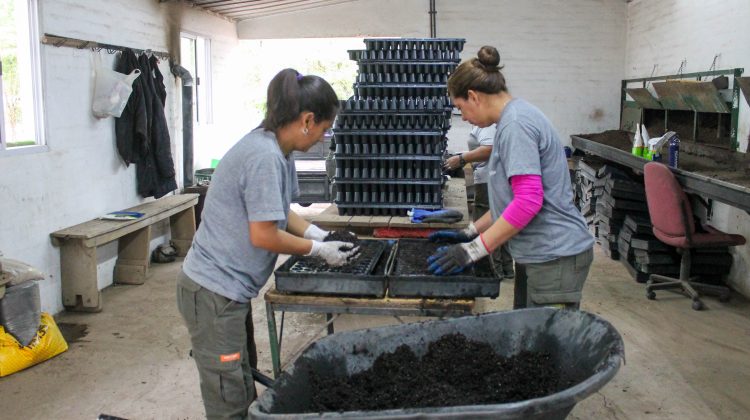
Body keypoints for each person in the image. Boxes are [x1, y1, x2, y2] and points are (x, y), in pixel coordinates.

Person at [176, 68, 358, 419]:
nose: (324, 138)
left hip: (230, 291)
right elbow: (263, 234)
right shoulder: (263, 156)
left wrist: (317, 234)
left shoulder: (279, 150)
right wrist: (317, 250)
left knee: (241, 379)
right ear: (307, 120)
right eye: (324, 129)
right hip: (213, 291)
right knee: (228, 395)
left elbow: (279, 212)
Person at [428, 46, 594, 310]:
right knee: (528, 333)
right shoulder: (513, 119)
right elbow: (512, 202)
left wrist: (473, 250)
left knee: (545, 345)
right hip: (541, 253)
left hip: (555, 254)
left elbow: (528, 202)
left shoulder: (516, 125)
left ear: (473, 96)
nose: (466, 117)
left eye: (461, 108)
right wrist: (471, 232)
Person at [443, 123, 515, 279]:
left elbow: (488, 149)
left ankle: (494, 270)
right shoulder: (490, 123)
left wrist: (461, 159)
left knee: (490, 223)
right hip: (494, 178)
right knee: (501, 220)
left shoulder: (486, 125)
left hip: (488, 180)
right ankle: (507, 269)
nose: (462, 117)